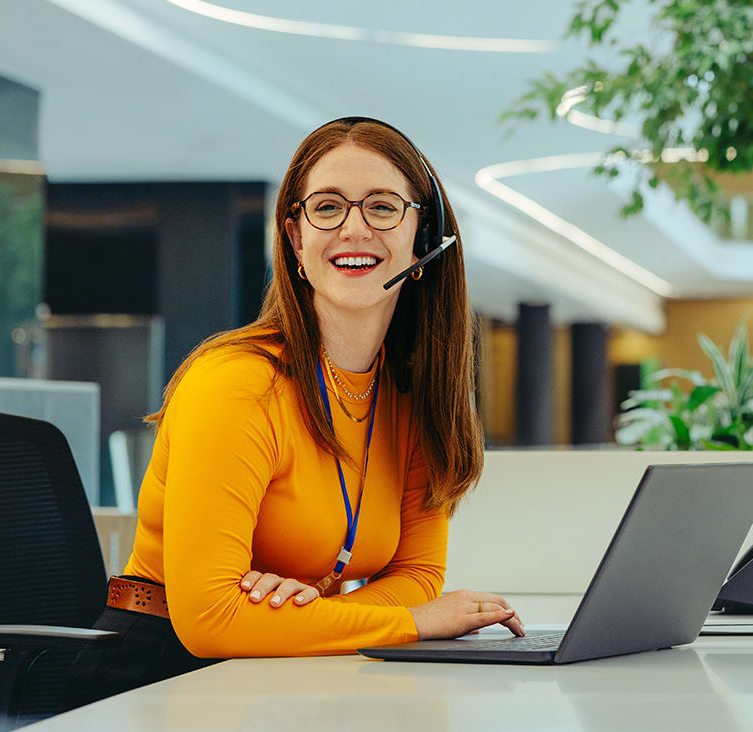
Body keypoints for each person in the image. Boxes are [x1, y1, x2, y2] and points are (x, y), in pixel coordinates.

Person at [65, 117, 523, 709]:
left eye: (383, 207)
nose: (354, 228)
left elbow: (417, 578)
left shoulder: (412, 396)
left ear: (422, 235)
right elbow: (210, 622)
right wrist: (414, 624)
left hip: (281, 673)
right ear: (295, 236)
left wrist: (312, 615)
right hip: (157, 676)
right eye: (327, 207)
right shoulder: (236, 383)